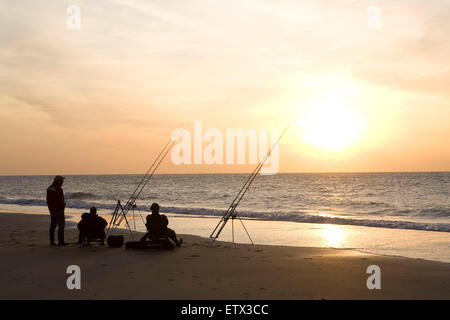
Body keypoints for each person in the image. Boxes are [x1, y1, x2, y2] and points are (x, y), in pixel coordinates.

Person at [47, 175, 67, 246]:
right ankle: (61, 241)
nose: (62, 182)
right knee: (61, 225)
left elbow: (49, 201)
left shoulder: (50, 188)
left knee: (53, 225)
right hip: (58, 209)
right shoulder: (58, 189)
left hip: (52, 210)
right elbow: (59, 200)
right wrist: (63, 206)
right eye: (61, 180)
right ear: (58, 181)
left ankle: (52, 241)